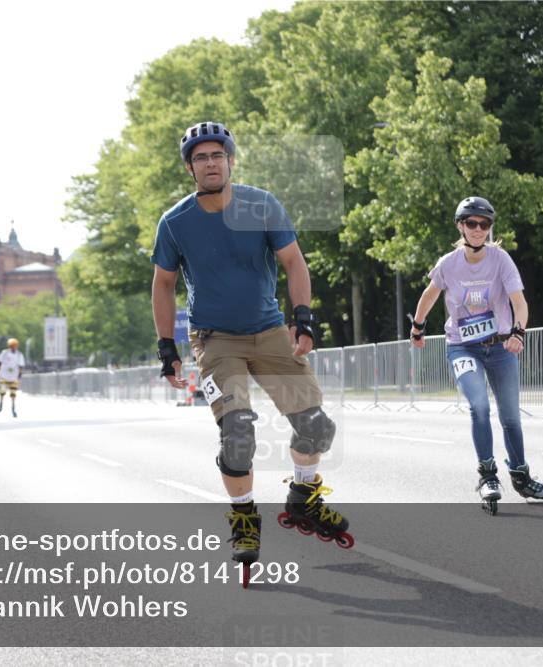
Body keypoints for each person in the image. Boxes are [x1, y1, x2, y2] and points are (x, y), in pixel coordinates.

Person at [151, 121, 352, 575]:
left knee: (317, 428)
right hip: (215, 339)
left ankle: (303, 499)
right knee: (238, 431)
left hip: (269, 332)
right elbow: (163, 284)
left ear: (231, 159)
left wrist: (304, 318)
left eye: (216, 155)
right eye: (199, 158)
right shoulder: (175, 222)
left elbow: (294, 261)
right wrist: (168, 347)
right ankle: (244, 519)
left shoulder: (262, 205)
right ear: (190, 168)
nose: (209, 163)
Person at [410, 196, 543, 514]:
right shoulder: (448, 264)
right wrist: (418, 327)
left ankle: (522, 477)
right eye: (471, 223)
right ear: (460, 226)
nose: (478, 229)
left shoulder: (501, 260)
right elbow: (430, 294)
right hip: (462, 347)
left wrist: (519, 331)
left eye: (484, 224)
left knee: (510, 416)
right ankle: (488, 476)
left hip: (500, 346)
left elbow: (519, 302)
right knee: (478, 405)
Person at [0, 338, 25, 417]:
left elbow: (21, 365)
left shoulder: (19, 355)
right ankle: (0, 405)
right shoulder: (5, 353)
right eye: (12, 346)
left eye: (15, 346)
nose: (14, 347)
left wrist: (19, 374)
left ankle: (13, 408)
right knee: (2, 391)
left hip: (13, 376)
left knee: (13, 393)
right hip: (4, 375)